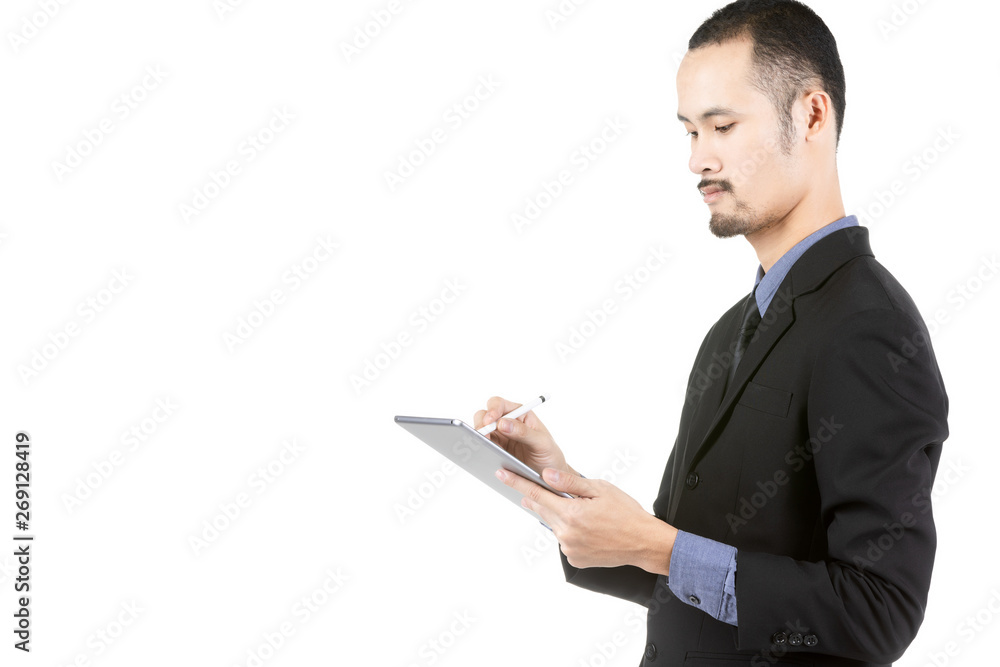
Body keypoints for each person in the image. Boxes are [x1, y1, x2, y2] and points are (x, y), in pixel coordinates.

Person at [475, 1, 949, 665]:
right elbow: (682, 562)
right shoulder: (730, 331)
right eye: (690, 132)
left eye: (722, 126)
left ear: (813, 115)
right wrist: (559, 483)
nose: (698, 159)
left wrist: (655, 545)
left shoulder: (870, 328)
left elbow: (879, 610)